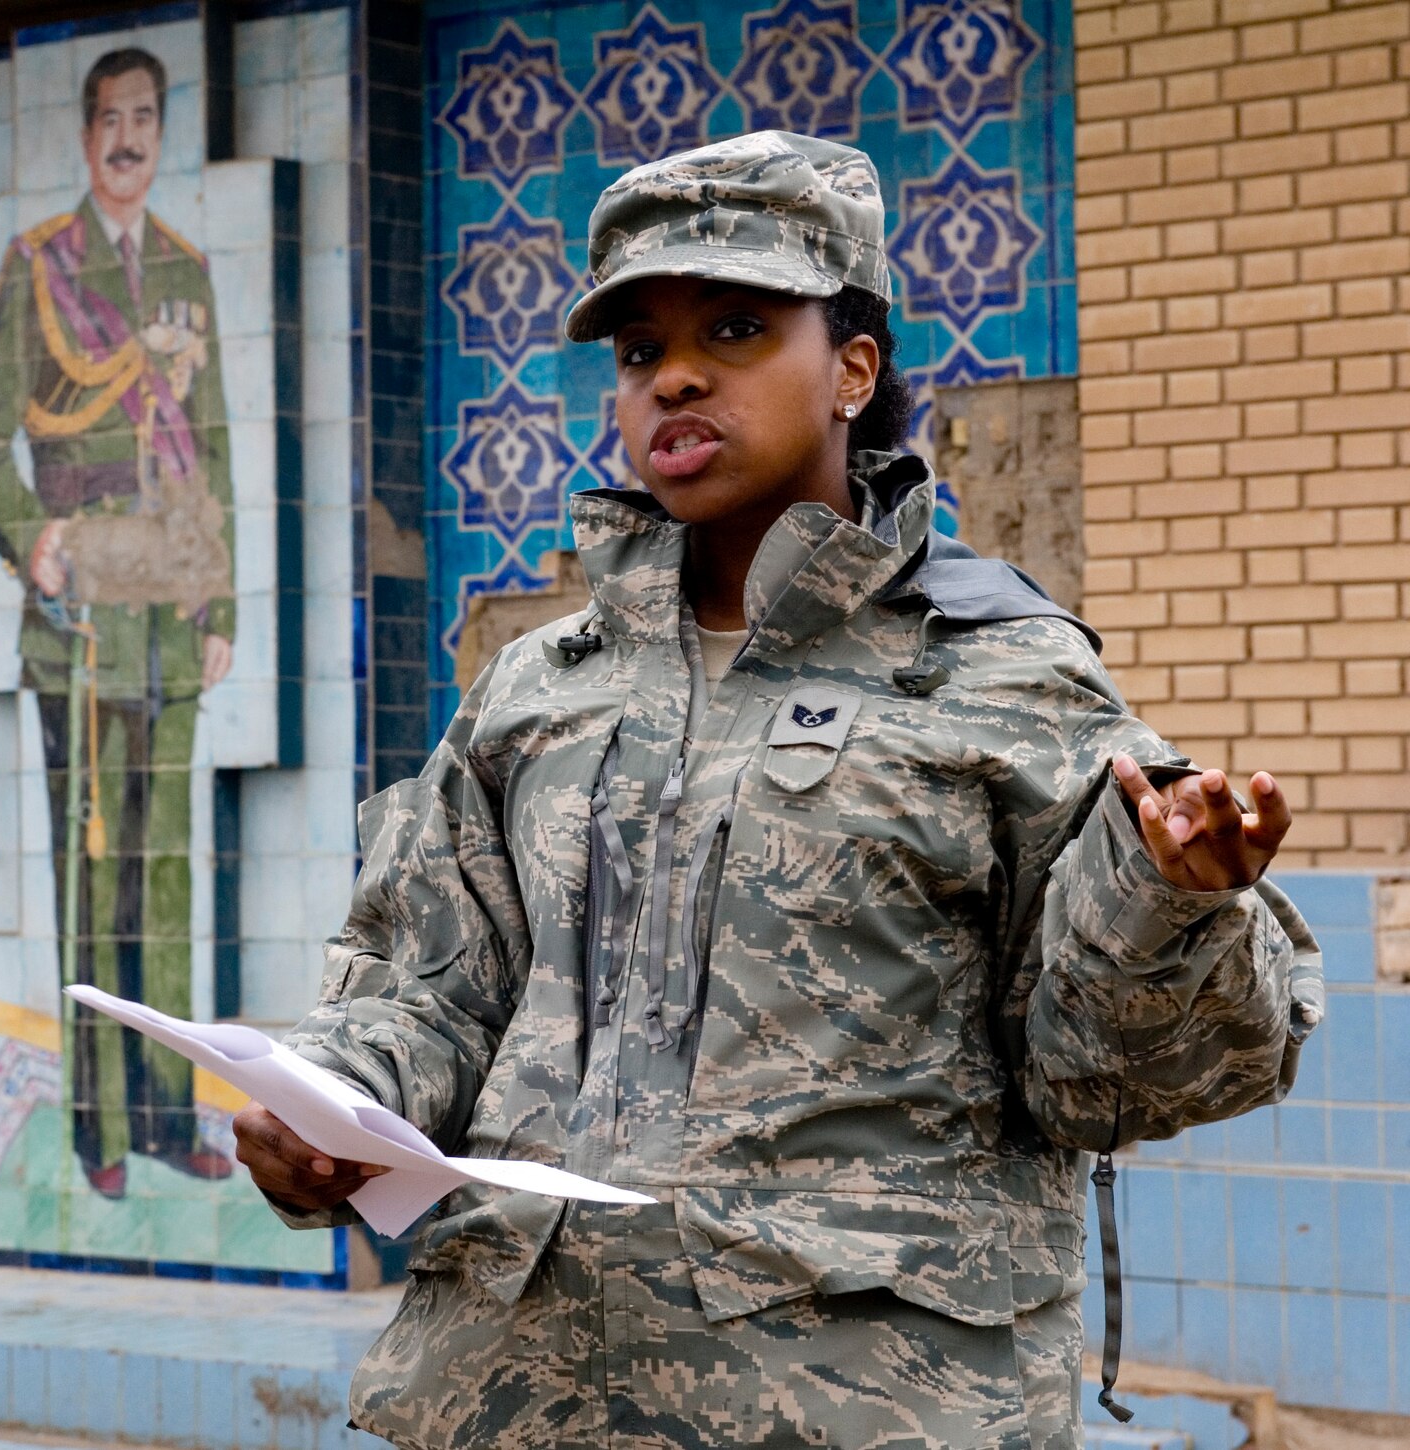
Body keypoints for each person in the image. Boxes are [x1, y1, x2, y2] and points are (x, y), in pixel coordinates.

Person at [233, 132, 1324, 1448]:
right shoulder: (536, 683)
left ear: (853, 364)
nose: (676, 374)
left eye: (737, 326)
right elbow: (425, 984)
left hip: (863, 1410)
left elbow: (1111, 1084)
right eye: (639, 350)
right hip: (518, 1398)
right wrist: (329, 1108)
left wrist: (1173, 902)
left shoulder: (1002, 673)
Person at [0, 46, 234, 1200]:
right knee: (93, 885)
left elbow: (211, 442)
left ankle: (171, 1115)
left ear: (159, 133)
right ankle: (98, 1127)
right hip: (80, 620)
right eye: (109, 118)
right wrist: (35, 539)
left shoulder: (184, 269)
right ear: (85, 137)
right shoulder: (40, 265)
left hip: (169, 614)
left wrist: (219, 599)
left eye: (145, 117)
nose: (127, 137)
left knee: (163, 885)